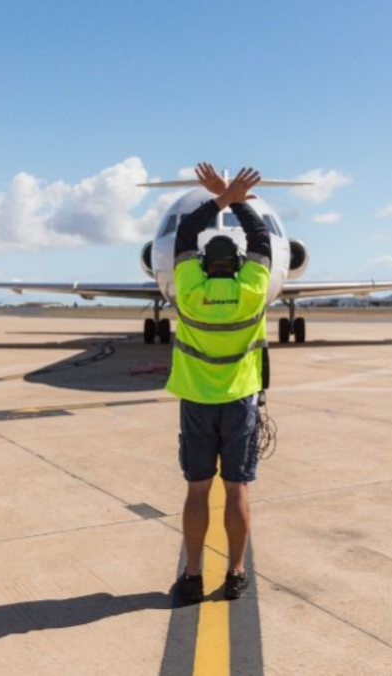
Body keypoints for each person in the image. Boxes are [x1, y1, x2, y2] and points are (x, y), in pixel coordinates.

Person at [165, 163, 272, 603]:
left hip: (196, 402)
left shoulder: (189, 291)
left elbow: (186, 233)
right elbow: (263, 240)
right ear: (241, 265)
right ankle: (235, 573)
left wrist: (218, 198)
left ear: (205, 265)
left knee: (197, 490)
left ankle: (192, 575)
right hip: (240, 404)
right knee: (236, 489)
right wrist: (240, 199)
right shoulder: (254, 290)